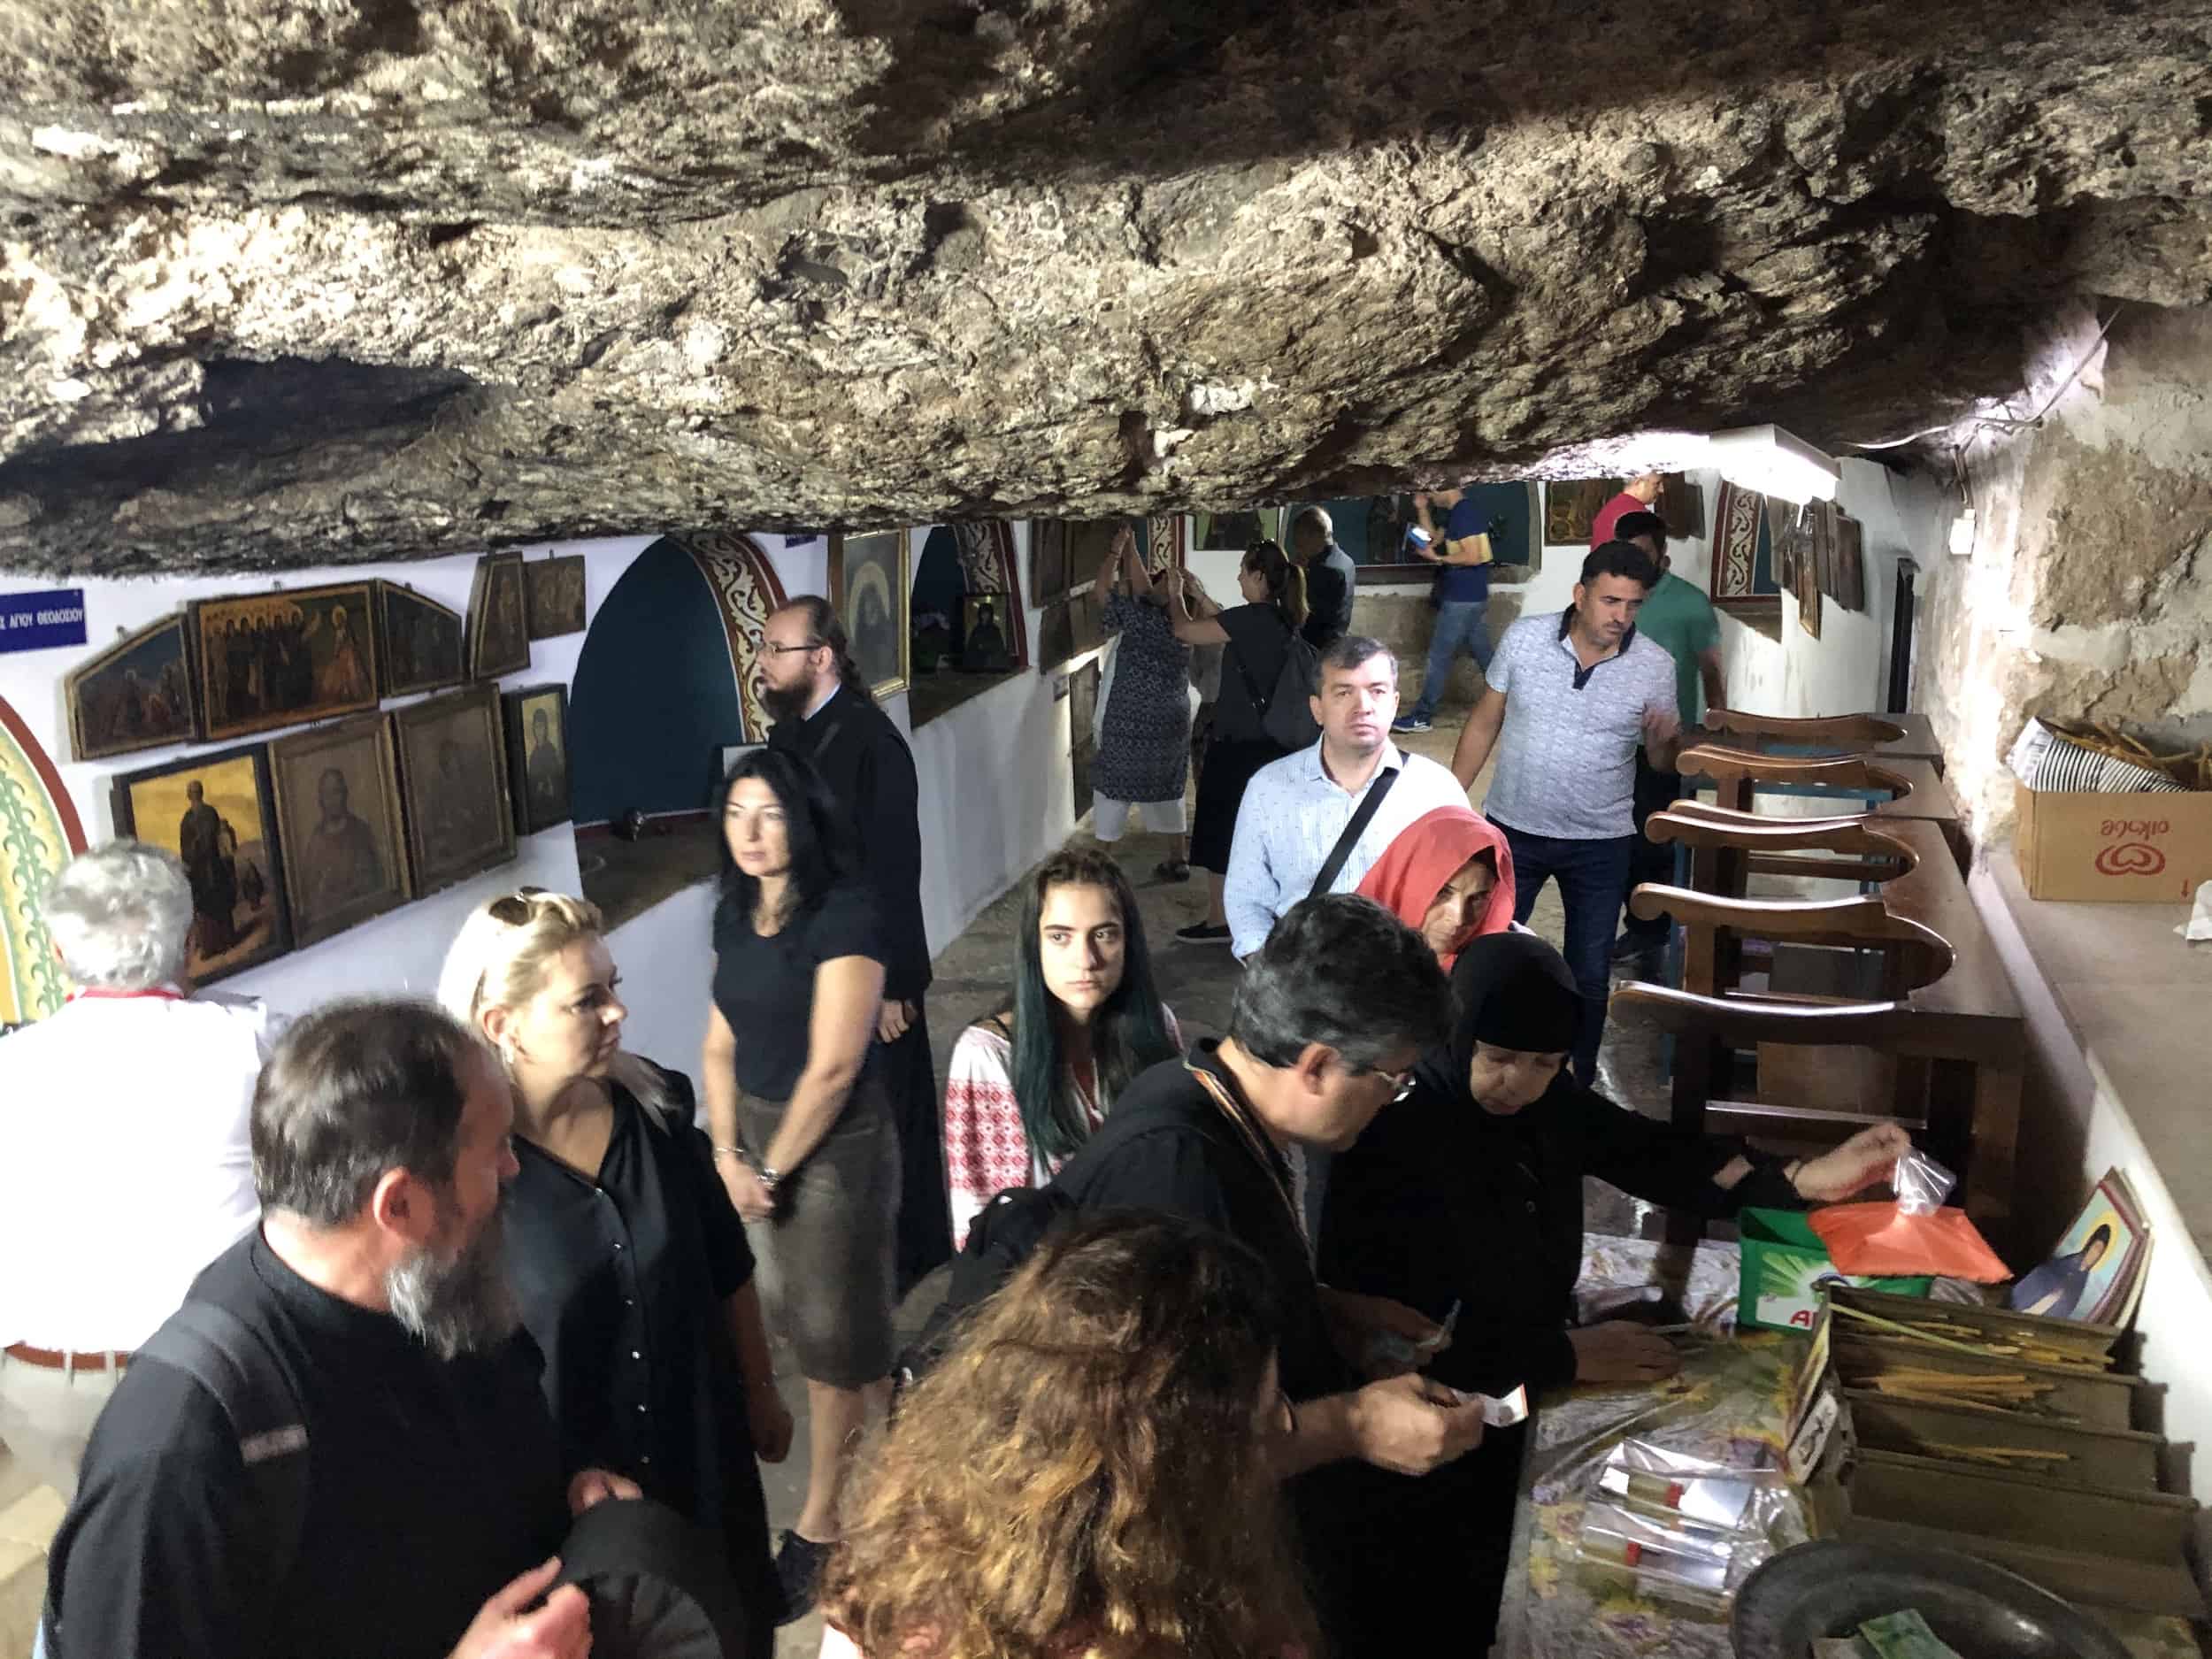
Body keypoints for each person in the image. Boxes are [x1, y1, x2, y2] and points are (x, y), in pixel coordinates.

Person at [1318, 931, 1911, 1647]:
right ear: (1457, 1031)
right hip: (1427, 1438)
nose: (1519, 1082)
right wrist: (1564, 1357)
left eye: (1544, 1063)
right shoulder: (1395, 1135)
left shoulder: (1546, 1105)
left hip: (1522, 1376)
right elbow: (1396, 1339)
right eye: (1499, 1057)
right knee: (1449, 1597)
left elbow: (1649, 1152)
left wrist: (1799, 1179)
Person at [41, 999, 641, 1659]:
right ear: (401, 1204)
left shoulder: (447, 1291)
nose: (513, 1169)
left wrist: (569, 1493)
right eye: (494, 1149)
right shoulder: (179, 1454)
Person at [1023, 895, 1484, 1648]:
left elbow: (1222, 1295)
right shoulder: (1173, 1174)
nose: (1392, 1101)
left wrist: (1326, 1308)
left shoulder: (1202, 1090)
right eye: (1392, 1080)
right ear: (1320, 1064)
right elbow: (1164, 1454)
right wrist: (1357, 1423)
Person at [438, 888, 789, 1653]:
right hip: (576, 1519)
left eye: (613, 988)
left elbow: (726, 1264)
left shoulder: (658, 1114)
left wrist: (761, 1393)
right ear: (504, 1027)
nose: (616, 1013)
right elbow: (466, 1379)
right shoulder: (472, 1184)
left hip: (703, 1468)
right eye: (585, 1000)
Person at [821, 1212, 1319, 1659]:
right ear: (1183, 1469)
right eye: (1268, 1411)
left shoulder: (887, 1588)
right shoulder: (1211, 1627)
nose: (1281, 1425)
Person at [0, 844, 270, 1502]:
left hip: (41, 1387)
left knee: (94, 1534)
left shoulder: (11, 1066)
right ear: (187, 944)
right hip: (199, 1373)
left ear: (60, 956)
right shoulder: (251, 1044)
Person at [701, 747, 897, 1620]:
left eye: (770, 813)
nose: (750, 831)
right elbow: (716, 1041)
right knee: (813, 1315)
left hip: (834, 1142)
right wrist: (722, 1153)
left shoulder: (845, 913)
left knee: (825, 1345)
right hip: (749, 1127)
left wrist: (771, 1168)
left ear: (803, 819)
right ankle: (890, 1435)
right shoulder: (734, 914)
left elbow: (833, 1066)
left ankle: (821, 1532)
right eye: (737, 812)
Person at [760, 595, 950, 1294]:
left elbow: (897, 866)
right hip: (812, 958)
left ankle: (904, 1257)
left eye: (775, 649)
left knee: (888, 1111)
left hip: (873, 966)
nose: (761, 662)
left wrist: (898, 979)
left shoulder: (872, 742)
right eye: (760, 648)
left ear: (820, 657)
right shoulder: (787, 742)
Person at [1448, 541, 1680, 1083]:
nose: (1622, 617)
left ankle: (1574, 1077)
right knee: (1486, 954)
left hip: (1600, 842)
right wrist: (1451, 799)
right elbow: (1485, 721)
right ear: (1580, 595)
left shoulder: (1655, 667)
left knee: (1589, 971)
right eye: (1610, 601)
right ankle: (1468, 1066)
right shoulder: (1526, 640)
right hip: (1513, 832)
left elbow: (1662, 762)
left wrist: (1664, 742)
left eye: (1634, 605)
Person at [941, 848, 1183, 1249]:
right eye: (1060, 937)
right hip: (1048, 1289)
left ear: (1128, 942)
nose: (1085, 960)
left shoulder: (1158, 1026)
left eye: (1104, 934)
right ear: (1033, 947)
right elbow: (985, 1228)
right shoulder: (988, 1056)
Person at [1224, 636, 1467, 961]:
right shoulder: (1270, 788)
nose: (1363, 706)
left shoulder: (1437, 790)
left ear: (1394, 703)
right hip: (1305, 975)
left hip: (1406, 978)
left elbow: (1467, 893)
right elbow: (1245, 897)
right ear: (1317, 709)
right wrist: (1271, 975)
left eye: (1377, 691)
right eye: (1343, 692)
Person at [1158, 541, 1307, 944]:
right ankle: (1267, 912)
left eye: (1243, 571)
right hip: (1271, 744)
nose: (1239, 577)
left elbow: (1183, 630)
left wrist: (1175, 596)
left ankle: (1220, 919)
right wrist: (1200, 594)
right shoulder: (1278, 617)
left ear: (1259, 576)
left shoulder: (1250, 620)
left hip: (1238, 745)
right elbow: (1228, 621)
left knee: (1220, 828)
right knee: (1261, 830)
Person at [1609, 508, 1727, 964]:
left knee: (1653, 842)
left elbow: (1711, 670)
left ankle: (1652, 929)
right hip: (1611, 741)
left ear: (1664, 558)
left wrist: (1714, 726)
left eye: (1642, 555)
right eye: (1625, 555)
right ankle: (1636, 924)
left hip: (1665, 745)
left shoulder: (1690, 603)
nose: (1633, 565)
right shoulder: (1611, 599)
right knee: (1613, 841)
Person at [1089, 523, 1194, 879]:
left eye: (1162, 579)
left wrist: (1116, 551)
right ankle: (1177, 858)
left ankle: (1100, 859)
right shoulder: (1183, 627)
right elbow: (1145, 587)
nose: (1153, 579)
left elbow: (1101, 591)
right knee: (1167, 788)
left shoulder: (1141, 620)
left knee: (1114, 787)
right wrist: (1133, 545)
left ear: (1169, 595)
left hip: (1129, 721)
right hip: (1170, 723)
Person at [1353, 804, 1517, 966]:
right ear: (1404, 880)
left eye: (1478, 898)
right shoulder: (1344, 957)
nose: (1458, 919)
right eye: (1442, 892)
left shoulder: (1500, 974)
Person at [1392, 484, 1494, 733]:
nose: (1429, 495)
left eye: (1430, 491)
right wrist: (1422, 509)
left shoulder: (1465, 513)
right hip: (1469, 595)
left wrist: (1437, 559)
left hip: (1462, 597)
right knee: (1487, 658)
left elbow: (1474, 556)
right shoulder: (1456, 513)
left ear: (1446, 488)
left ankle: (1422, 717)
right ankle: (1517, 706)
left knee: (1438, 657)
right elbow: (1431, 539)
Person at [302, 766, 385, 915]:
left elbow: (373, 881)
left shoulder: (360, 832)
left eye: (336, 792)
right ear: (321, 799)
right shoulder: (316, 841)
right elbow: (312, 893)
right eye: (327, 794)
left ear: (345, 794)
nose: (332, 800)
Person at [176, 780, 238, 956]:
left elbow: (215, 840)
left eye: (194, 791)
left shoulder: (204, 814)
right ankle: (216, 944)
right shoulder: (190, 819)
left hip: (209, 868)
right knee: (209, 906)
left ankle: (220, 943)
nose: (194, 794)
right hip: (203, 870)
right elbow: (186, 848)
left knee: (216, 903)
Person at [2014, 1225, 2114, 1319]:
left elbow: (2068, 1306)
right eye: (2096, 1247)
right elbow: (2042, 1278)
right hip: (2025, 1309)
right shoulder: (2068, 1261)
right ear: (2090, 1244)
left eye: (2100, 1252)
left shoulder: (2083, 1280)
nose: (2096, 1254)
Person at [1294, 504, 1356, 649]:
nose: (1297, 546)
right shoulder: (1347, 561)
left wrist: (1297, 575)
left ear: (1311, 536)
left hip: (1315, 650)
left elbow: (1301, 614)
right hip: (1335, 645)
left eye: (1298, 538)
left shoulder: (1323, 571)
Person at [1590, 470, 1664, 549]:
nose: (1661, 490)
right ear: (1639, 483)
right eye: (1657, 484)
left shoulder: (1611, 507)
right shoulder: (1636, 514)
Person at [526, 708, 565, 821]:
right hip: (537, 806)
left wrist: (547, 787)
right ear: (533, 728)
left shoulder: (551, 751)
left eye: (541, 727)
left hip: (551, 805)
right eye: (536, 726)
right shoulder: (533, 756)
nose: (539, 731)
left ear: (546, 728)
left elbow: (556, 782)